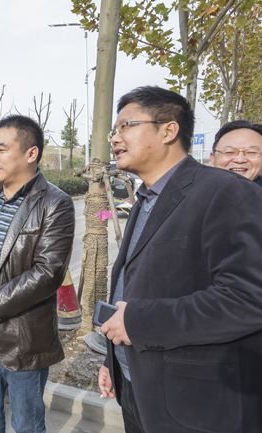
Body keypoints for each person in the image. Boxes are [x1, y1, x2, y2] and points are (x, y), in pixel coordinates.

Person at [99, 86, 262, 433]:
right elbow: (134, 285)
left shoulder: (227, 192)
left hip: (190, 402)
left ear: (168, 130)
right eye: (115, 129)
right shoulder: (146, 197)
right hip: (136, 386)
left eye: (127, 125)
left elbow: (248, 299)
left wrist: (139, 322)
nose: (115, 137)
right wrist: (112, 361)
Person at [0, 115, 75, 433]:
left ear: (31, 153)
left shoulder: (55, 203)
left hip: (23, 336)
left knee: (26, 423)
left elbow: (48, 273)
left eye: (2, 149)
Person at [209, 120, 262, 186]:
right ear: (213, 158)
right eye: (229, 152)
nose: (240, 160)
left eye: (251, 152)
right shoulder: (198, 189)